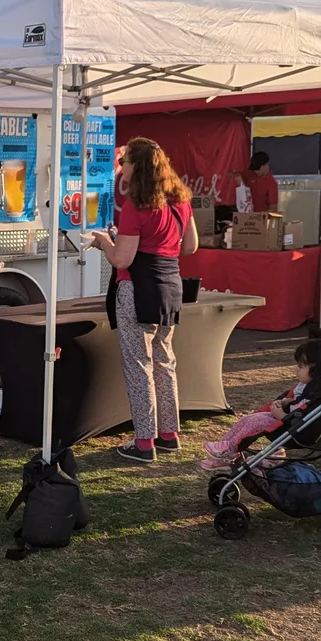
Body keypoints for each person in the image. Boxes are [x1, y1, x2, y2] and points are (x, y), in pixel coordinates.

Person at [89, 137, 198, 465]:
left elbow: (121, 259)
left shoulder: (138, 206)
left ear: (139, 166)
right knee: (164, 360)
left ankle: (144, 442)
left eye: (125, 162)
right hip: (170, 285)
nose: (121, 167)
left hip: (136, 288)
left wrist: (102, 242)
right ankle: (169, 435)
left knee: (139, 366)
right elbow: (190, 245)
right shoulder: (180, 200)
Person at [200, 340, 319, 469]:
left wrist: (282, 416)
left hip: (292, 429)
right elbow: (297, 401)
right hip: (283, 420)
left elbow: (306, 418)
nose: (296, 370)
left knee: (256, 421)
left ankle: (230, 449)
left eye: (301, 366)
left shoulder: (317, 394)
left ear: (316, 370)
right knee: (247, 419)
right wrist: (285, 401)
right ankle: (225, 448)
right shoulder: (305, 387)